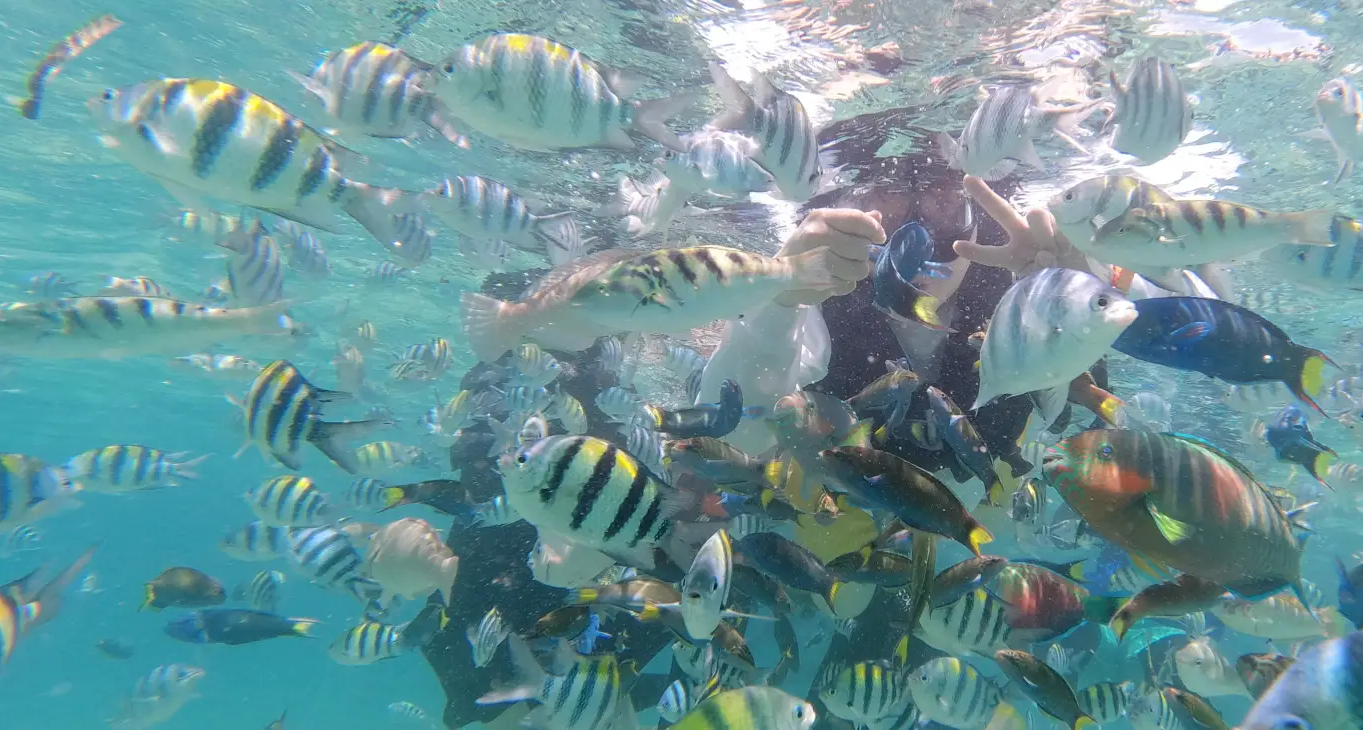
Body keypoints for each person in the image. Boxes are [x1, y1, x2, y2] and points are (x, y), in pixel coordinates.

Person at [416, 107, 1106, 728]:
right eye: (887, 219)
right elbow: (737, 419)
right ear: (847, 210)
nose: (918, 240)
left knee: (870, 687)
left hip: (918, 557)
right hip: (775, 525)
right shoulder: (826, 288)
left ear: (977, 204)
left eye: (945, 211)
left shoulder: (1015, 282)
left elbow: (1063, 437)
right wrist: (782, 292)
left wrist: (1064, 306)